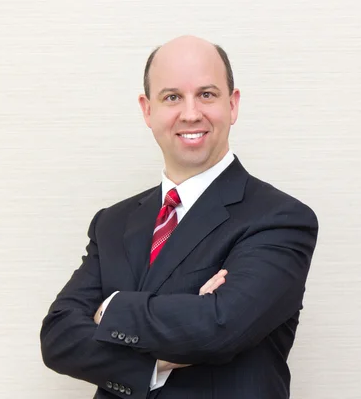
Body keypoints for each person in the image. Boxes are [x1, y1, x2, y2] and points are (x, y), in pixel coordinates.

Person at [40, 35, 319, 399]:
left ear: (232, 105)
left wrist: (110, 308)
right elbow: (58, 337)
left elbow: (220, 327)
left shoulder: (280, 219)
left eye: (206, 94)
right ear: (147, 110)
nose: (190, 113)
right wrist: (155, 361)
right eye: (172, 97)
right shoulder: (112, 222)